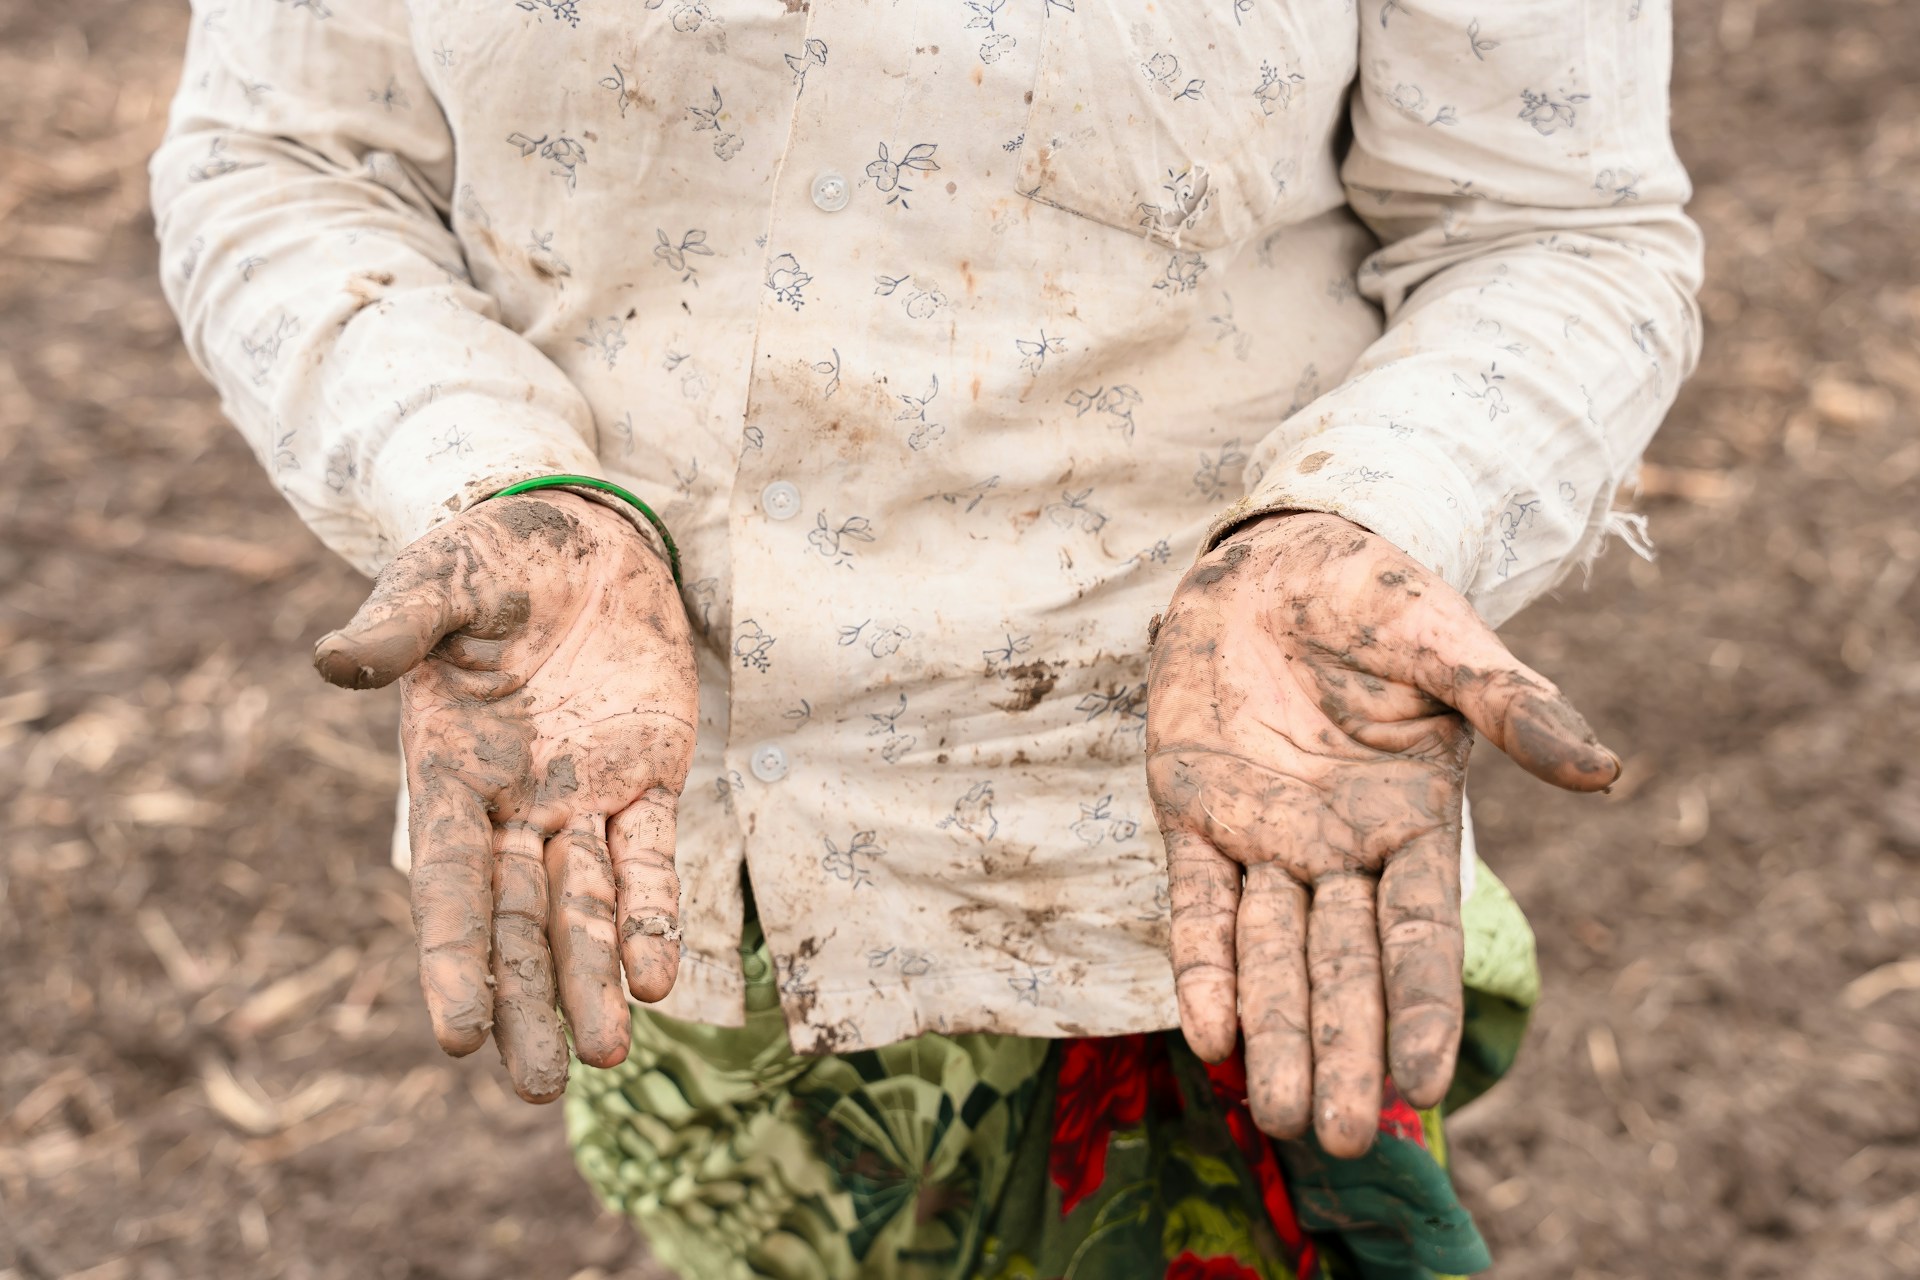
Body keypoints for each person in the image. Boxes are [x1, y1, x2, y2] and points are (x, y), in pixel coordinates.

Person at [152, 1, 1700, 1275]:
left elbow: (1554, 222)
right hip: (646, 831)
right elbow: (285, 157)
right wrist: (483, 471)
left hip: (1193, 835)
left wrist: (1362, 516)